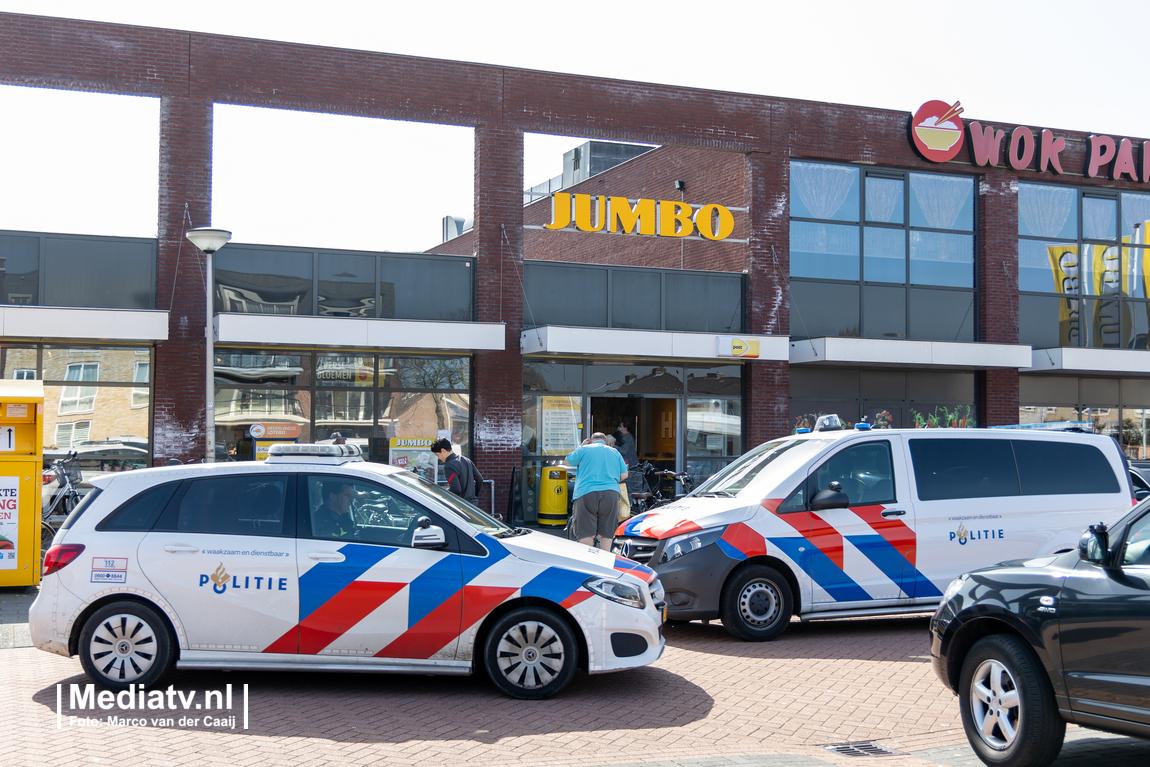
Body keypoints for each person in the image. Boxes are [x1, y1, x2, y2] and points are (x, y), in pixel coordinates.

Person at [565, 432, 629, 550]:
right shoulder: (614, 452)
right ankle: (604, 563)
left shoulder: (584, 449)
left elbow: (568, 461)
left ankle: (588, 563)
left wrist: (581, 446)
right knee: (607, 533)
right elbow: (624, 475)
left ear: (591, 440)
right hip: (611, 493)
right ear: (605, 441)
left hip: (586, 493)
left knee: (586, 533)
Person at [431, 437, 483, 504]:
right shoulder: (467, 460)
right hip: (473, 505)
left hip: (461, 506)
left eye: (437, 455)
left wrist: (442, 495)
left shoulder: (449, 466)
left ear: (443, 451)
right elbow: (479, 479)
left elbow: (456, 489)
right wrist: (474, 496)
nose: (438, 458)